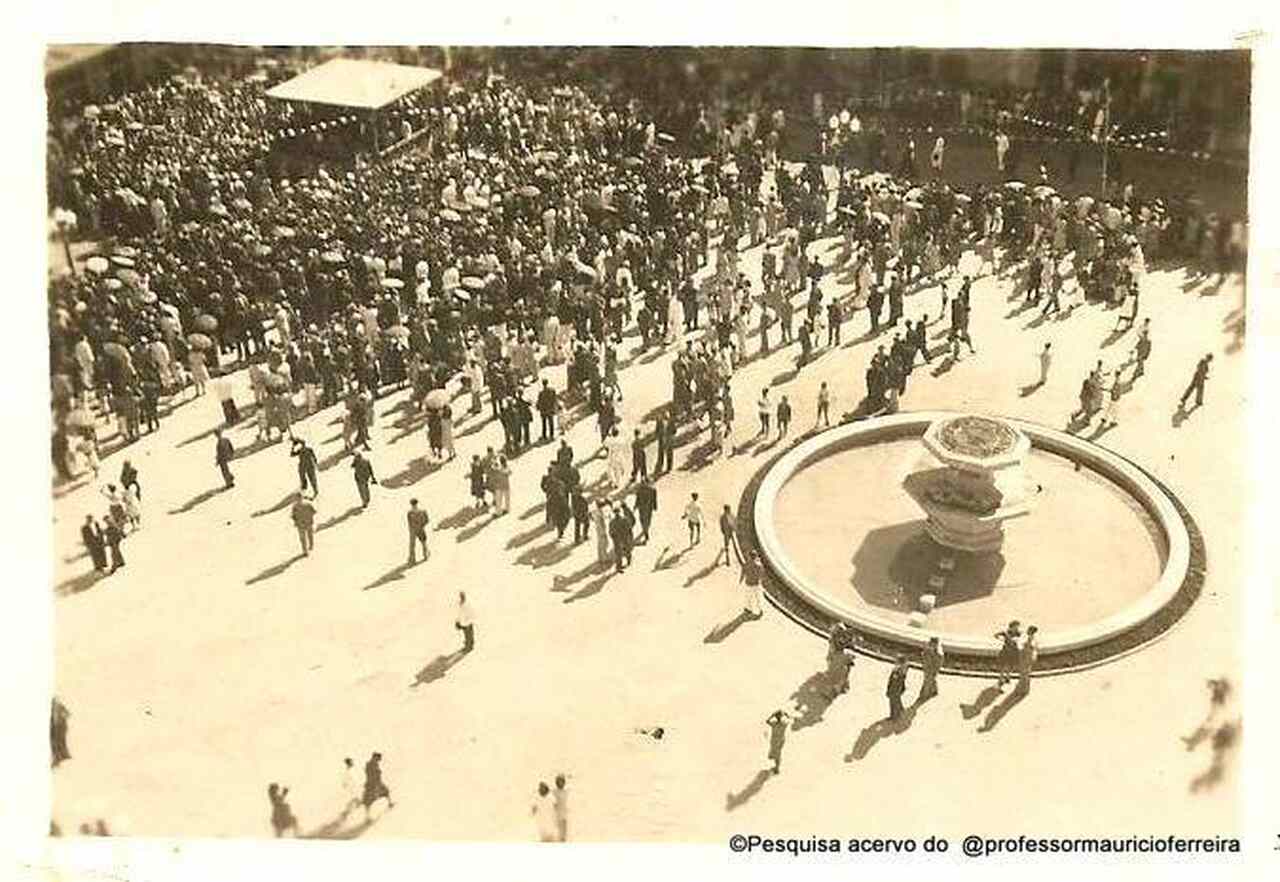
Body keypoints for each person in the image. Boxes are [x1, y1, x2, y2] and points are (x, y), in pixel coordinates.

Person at [361, 752, 394, 819]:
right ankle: (367, 817)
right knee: (368, 800)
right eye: (378, 759)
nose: (378, 760)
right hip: (372, 784)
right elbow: (370, 774)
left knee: (386, 791)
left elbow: (376, 773)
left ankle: (390, 803)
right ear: (374, 757)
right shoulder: (370, 764)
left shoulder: (374, 764)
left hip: (377, 783)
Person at [994, 620, 1022, 689]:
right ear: (1011, 627)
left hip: (1013, 651)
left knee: (1011, 665)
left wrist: (1016, 641)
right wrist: (1001, 639)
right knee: (1003, 665)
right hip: (1006, 651)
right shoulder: (1006, 632)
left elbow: (1020, 639)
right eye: (1015, 626)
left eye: (1017, 627)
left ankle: (1008, 676)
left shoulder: (1018, 633)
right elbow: (996, 635)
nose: (1016, 628)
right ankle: (1001, 678)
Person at [740, 547, 764, 618]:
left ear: (749, 556)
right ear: (755, 557)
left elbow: (743, 573)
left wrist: (740, 580)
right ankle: (760, 610)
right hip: (756, 584)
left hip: (748, 583)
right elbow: (761, 574)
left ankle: (749, 609)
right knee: (758, 598)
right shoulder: (759, 565)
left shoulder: (746, 564)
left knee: (748, 597)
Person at [765, 709, 791, 774]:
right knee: (778, 753)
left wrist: (772, 715)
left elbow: (767, 721)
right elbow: (790, 720)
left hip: (774, 740)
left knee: (776, 753)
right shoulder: (784, 724)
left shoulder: (774, 724)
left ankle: (777, 768)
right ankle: (777, 767)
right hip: (781, 740)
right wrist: (786, 715)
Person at [634, 476, 657, 544]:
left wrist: (655, 506)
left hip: (645, 508)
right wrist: (636, 505)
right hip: (645, 508)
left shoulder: (652, 490)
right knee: (644, 520)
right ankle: (645, 530)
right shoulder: (651, 490)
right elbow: (638, 498)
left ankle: (645, 530)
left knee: (644, 520)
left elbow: (654, 499)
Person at [920, 637, 945, 701]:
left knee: (928, 680)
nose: (932, 645)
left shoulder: (939, 653)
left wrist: (935, 669)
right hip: (927, 666)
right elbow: (923, 655)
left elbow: (939, 662)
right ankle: (934, 690)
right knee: (930, 679)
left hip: (933, 668)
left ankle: (924, 694)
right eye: (931, 644)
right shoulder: (928, 648)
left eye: (934, 644)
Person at [407, 498, 430, 564]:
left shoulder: (410, 513)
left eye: (413, 504)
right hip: (418, 529)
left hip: (415, 530)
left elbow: (409, 522)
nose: (413, 506)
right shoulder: (422, 511)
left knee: (415, 544)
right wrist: (422, 525)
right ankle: (424, 556)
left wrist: (412, 529)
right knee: (422, 543)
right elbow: (427, 520)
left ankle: (413, 559)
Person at [1017, 625, 1039, 693]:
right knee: (1024, 673)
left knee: (1025, 673)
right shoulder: (1030, 638)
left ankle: (1024, 689)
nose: (1027, 631)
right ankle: (1023, 687)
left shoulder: (1033, 640)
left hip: (1027, 657)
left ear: (1031, 632)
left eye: (1029, 630)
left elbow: (1033, 648)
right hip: (1025, 656)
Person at [886, 656, 909, 722]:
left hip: (895, 689)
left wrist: (890, 689)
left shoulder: (899, 672)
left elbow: (896, 681)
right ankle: (900, 711)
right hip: (895, 688)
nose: (895, 663)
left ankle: (894, 716)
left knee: (893, 702)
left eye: (897, 662)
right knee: (896, 701)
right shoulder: (898, 670)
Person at [50, 697, 71, 766]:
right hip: (55, 727)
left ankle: (60, 757)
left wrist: (61, 717)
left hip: (60, 727)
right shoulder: (53, 707)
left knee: (60, 742)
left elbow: (68, 714)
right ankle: (58, 757)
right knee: (55, 743)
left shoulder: (59, 706)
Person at [552, 774, 570, 842]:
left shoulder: (566, 792)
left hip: (564, 816)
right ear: (556, 782)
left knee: (563, 835)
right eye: (559, 781)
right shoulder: (554, 792)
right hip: (556, 815)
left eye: (562, 781)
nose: (560, 783)